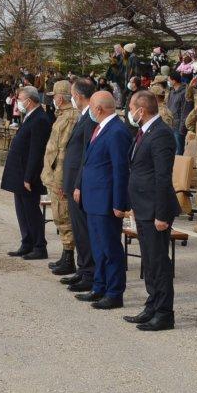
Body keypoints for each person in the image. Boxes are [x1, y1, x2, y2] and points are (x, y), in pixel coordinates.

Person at [122, 90, 181, 331]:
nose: (129, 113)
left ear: (141, 111)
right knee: (149, 260)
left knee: (159, 263)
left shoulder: (161, 135)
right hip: (142, 207)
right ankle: (152, 305)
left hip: (155, 210)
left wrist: (161, 214)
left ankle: (164, 313)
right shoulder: (144, 132)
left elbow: (162, 178)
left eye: (131, 108)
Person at [72, 91, 132, 310]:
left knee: (110, 248)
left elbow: (120, 170)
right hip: (93, 199)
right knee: (98, 248)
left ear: (99, 109)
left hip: (106, 201)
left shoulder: (117, 131)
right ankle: (99, 286)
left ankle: (114, 292)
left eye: (93, 107)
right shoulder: (101, 128)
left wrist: (119, 203)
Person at [0, 86, 52, 259]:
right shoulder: (30, 117)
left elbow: (36, 152)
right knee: (22, 210)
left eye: (20, 99)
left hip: (28, 175)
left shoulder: (40, 119)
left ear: (29, 101)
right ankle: (27, 242)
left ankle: (39, 246)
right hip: (19, 173)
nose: (18, 102)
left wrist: (29, 176)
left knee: (31, 211)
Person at [61, 78, 98, 294]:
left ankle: (89, 272)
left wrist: (78, 184)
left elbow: (86, 155)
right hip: (72, 181)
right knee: (77, 229)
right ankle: (82, 268)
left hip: (79, 183)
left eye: (73, 93)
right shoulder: (83, 116)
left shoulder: (91, 118)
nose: (71, 97)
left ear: (78, 96)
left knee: (83, 231)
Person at [40, 80, 79, 276]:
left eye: (54, 96)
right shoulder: (62, 116)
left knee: (64, 216)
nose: (53, 99)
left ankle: (69, 256)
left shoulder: (70, 118)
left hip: (60, 177)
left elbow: (64, 152)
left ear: (61, 97)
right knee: (59, 215)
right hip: (53, 175)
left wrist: (63, 180)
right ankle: (66, 254)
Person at [166, 72, 191, 155]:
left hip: (178, 127)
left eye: (169, 80)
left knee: (178, 151)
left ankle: (178, 167)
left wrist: (182, 128)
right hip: (171, 125)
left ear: (174, 81)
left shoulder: (184, 93)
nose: (168, 82)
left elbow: (185, 111)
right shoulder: (172, 92)